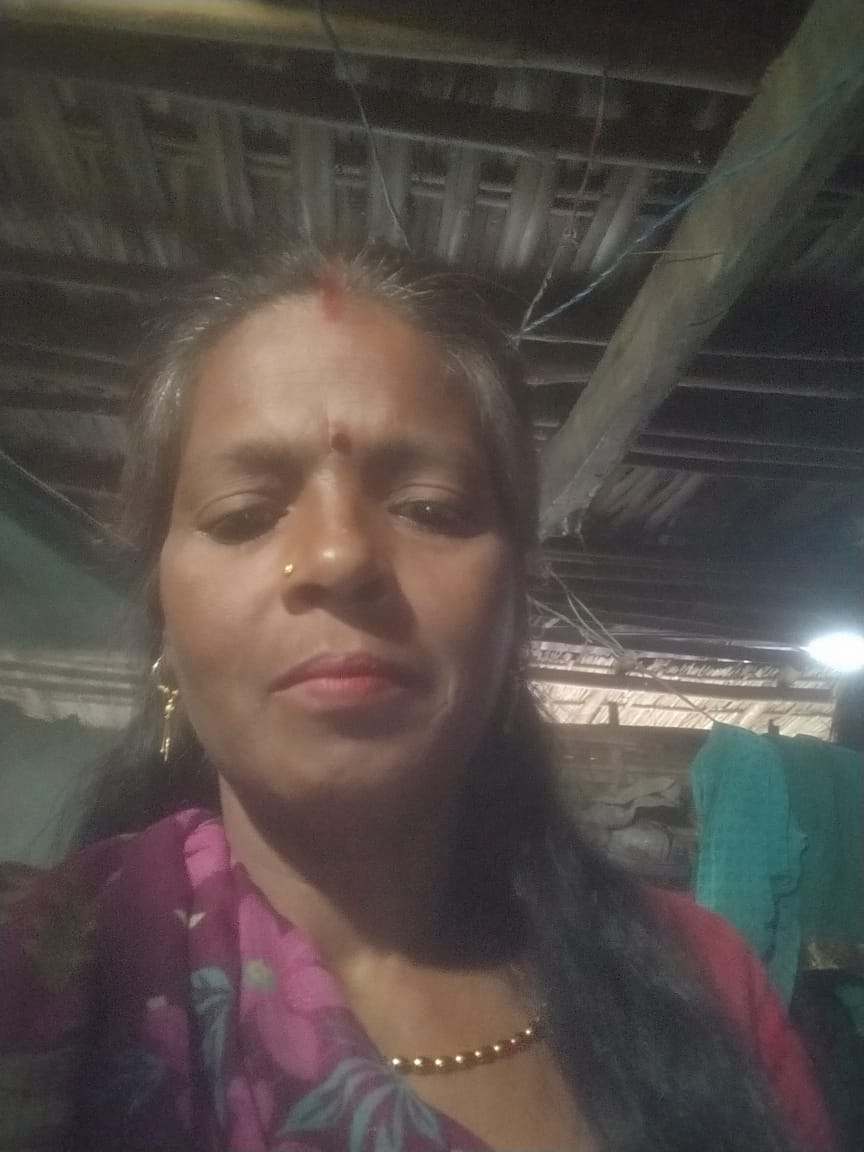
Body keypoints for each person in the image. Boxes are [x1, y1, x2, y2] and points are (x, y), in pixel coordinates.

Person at [0, 246, 834, 1152]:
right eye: (244, 514)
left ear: (513, 607)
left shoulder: (704, 988)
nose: (338, 556)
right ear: (165, 620)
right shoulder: (45, 985)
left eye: (430, 507)